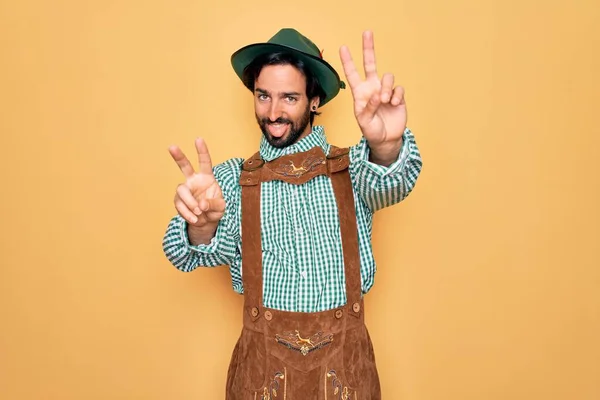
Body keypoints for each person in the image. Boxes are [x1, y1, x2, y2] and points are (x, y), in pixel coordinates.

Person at [162, 28, 422, 399]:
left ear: (314, 99)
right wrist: (202, 228)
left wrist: (385, 145)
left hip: (346, 376)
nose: (273, 112)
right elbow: (181, 253)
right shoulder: (230, 181)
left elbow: (391, 182)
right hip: (260, 378)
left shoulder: (354, 169)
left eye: (289, 97)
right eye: (263, 96)